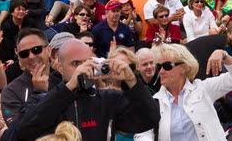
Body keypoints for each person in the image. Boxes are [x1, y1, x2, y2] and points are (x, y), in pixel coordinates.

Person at [15, 38, 160, 140]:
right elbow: (23, 132)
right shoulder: (45, 99)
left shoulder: (107, 99)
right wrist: (69, 87)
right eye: (76, 63)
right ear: (60, 67)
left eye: (88, 62)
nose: (84, 68)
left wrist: (132, 81)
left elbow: (149, 120)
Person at [134, 43, 232, 140]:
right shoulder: (155, 102)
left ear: (184, 67)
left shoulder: (203, 89)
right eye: (159, 66)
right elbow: (143, 133)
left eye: (167, 66)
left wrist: (223, 54)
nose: (161, 71)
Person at [0, 28, 53, 127]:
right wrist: (39, 94)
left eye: (36, 49)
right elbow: (17, 130)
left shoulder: (63, 80)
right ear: (19, 57)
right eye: (24, 53)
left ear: (49, 50)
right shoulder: (10, 92)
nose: (31, 56)